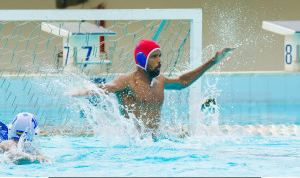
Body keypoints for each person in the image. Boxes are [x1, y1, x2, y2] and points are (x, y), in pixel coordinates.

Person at [73, 39, 235, 134]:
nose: (159, 60)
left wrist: (212, 62)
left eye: (160, 56)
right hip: (133, 146)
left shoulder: (160, 81)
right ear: (142, 59)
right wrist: (87, 90)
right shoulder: (127, 81)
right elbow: (107, 87)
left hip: (156, 143)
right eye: (154, 56)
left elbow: (183, 82)